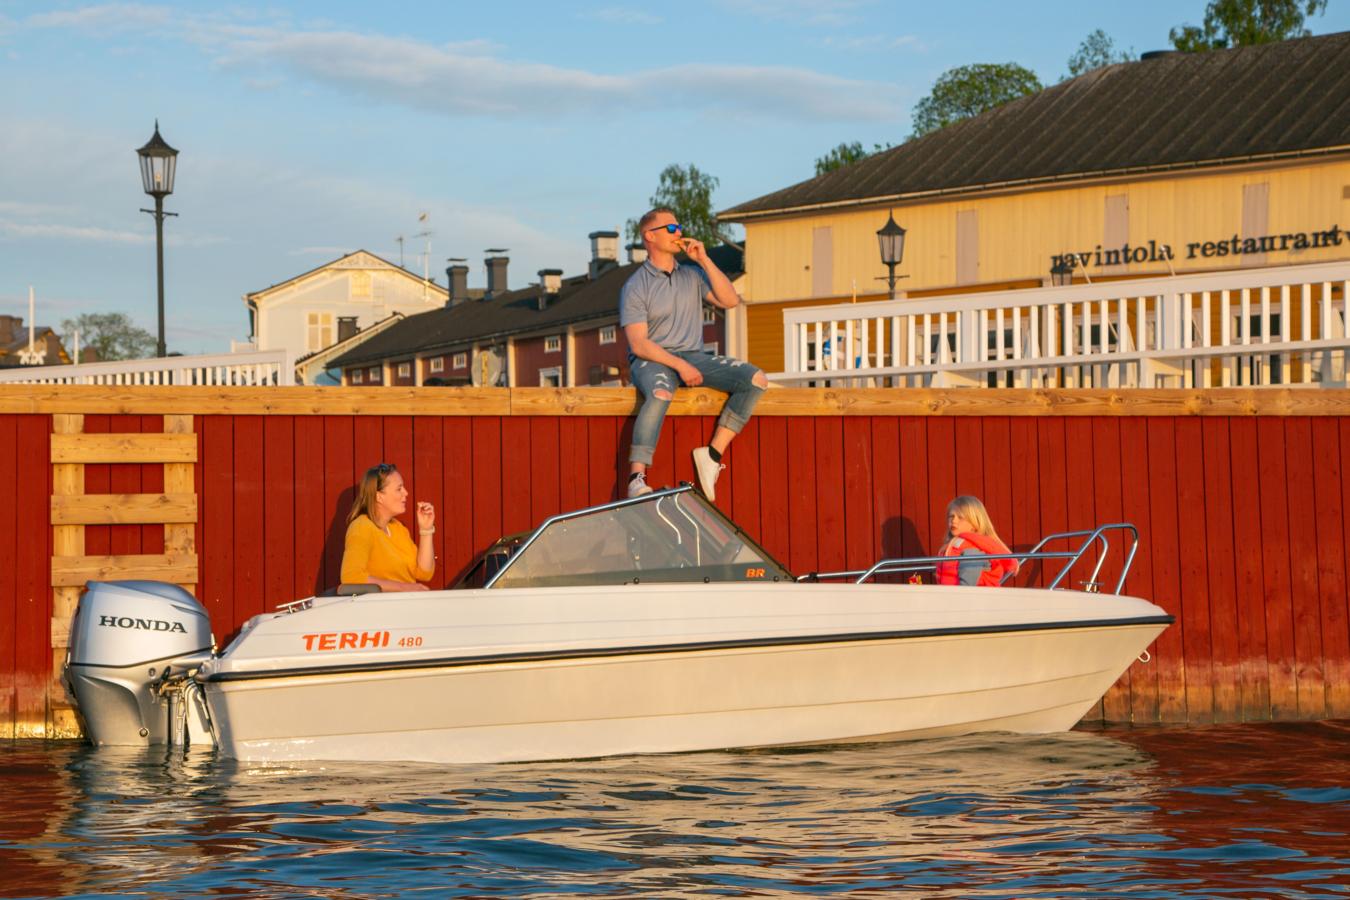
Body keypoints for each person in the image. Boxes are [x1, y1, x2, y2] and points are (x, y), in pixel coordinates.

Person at [619, 207, 769, 501]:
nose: (679, 233)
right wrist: (679, 365)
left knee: (756, 380)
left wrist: (704, 259)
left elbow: (730, 300)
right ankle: (636, 478)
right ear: (650, 236)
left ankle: (711, 455)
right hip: (652, 359)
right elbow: (638, 344)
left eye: (679, 227)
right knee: (661, 392)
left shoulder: (693, 275)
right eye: (671, 228)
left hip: (693, 355)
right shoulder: (635, 285)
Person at [340, 462, 436, 591]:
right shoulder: (361, 527)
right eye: (399, 489)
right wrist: (405, 588)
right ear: (379, 496)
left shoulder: (397, 528)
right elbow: (351, 577)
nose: (406, 493)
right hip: (382, 603)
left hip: (405, 601)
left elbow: (424, 573)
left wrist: (426, 529)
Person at [935, 495, 1018, 587]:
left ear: (975, 522)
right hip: (949, 593)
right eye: (951, 516)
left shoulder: (974, 549)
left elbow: (968, 584)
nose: (954, 521)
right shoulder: (951, 546)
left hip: (969, 594)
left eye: (960, 517)